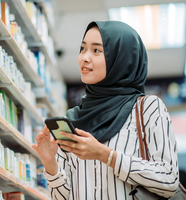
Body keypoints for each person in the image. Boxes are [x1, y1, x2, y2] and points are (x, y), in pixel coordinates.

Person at [32, 21, 179, 199]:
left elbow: (169, 180)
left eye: (96, 50)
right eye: (83, 48)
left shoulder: (148, 108)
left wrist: (106, 155)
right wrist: (51, 166)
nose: (84, 57)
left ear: (121, 59)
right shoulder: (72, 120)